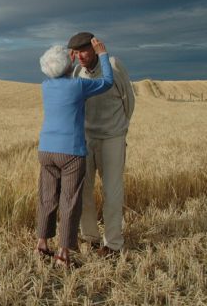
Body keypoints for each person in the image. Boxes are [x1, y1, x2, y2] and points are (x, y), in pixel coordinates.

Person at [36, 38, 113, 268]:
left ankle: (41, 244)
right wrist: (103, 54)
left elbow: (58, 73)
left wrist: (65, 63)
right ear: (69, 64)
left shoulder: (45, 86)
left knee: (47, 197)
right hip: (71, 152)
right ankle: (63, 253)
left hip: (46, 150)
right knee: (70, 201)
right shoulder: (78, 86)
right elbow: (107, 82)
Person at [67, 32, 135, 257]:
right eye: (76, 53)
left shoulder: (114, 64)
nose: (81, 56)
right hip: (86, 139)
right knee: (83, 190)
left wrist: (119, 129)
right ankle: (90, 237)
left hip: (112, 138)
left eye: (84, 50)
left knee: (112, 190)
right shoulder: (77, 71)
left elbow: (129, 100)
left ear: (96, 48)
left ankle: (113, 244)